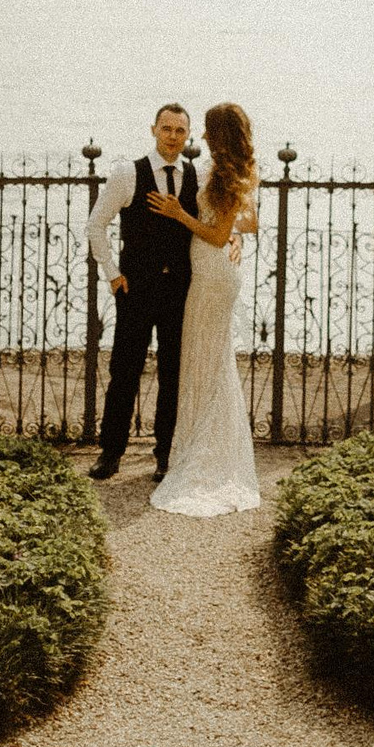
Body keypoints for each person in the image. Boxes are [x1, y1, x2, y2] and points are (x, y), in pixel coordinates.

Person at [144, 101, 262, 517]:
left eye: (208, 130)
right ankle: (194, 442)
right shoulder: (234, 169)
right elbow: (248, 224)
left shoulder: (223, 173)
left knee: (205, 359)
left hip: (212, 274)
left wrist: (179, 215)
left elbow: (215, 234)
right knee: (206, 358)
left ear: (219, 133)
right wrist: (236, 236)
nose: (202, 137)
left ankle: (201, 448)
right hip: (212, 272)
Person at [85, 103, 198, 480]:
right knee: (125, 370)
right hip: (136, 288)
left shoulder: (194, 175)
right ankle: (110, 452)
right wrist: (114, 275)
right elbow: (96, 226)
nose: (172, 137)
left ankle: (165, 454)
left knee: (173, 373)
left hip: (178, 290)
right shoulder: (127, 173)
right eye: (166, 129)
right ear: (153, 130)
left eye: (180, 131)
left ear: (188, 135)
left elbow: (209, 225)